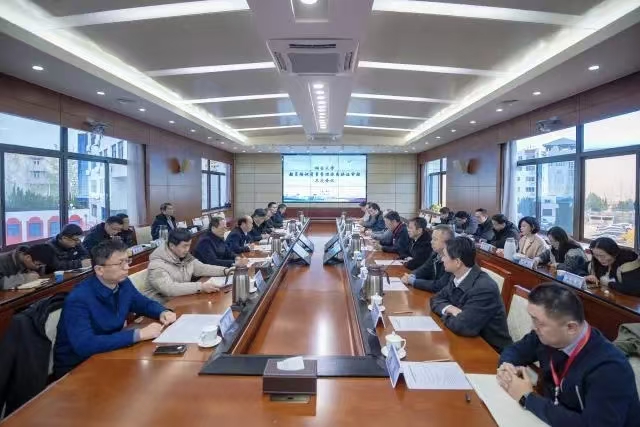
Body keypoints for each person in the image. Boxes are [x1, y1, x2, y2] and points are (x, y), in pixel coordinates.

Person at [498, 284, 640, 427]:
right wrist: (508, 368)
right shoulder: (545, 337)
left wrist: (527, 398)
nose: (533, 327)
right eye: (532, 319)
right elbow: (514, 351)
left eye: (538, 322)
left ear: (571, 327)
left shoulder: (610, 368)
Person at [53, 240, 177, 378]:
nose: (127, 267)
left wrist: (162, 311)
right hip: (78, 367)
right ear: (99, 270)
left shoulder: (123, 283)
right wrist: (138, 335)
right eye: (120, 263)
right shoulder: (79, 298)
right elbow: (85, 344)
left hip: (109, 352)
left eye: (127, 261)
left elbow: (142, 303)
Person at [430, 237, 512, 352]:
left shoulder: (484, 288)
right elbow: (436, 299)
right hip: (467, 342)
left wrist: (445, 314)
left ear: (457, 262)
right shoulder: (457, 275)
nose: (442, 259)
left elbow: (463, 326)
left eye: (445, 256)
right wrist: (450, 309)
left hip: (491, 351)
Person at [145, 228, 229, 301]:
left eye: (189, 245)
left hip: (181, 299)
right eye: (184, 246)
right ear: (172, 246)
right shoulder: (157, 265)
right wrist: (200, 287)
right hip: (163, 305)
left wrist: (226, 271)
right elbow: (169, 288)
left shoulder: (184, 256)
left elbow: (202, 268)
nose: (187, 249)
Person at [402, 225, 453, 292]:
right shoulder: (435, 254)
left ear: (447, 243)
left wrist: (414, 281)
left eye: (435, 239)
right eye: (432, 239)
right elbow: (424, 269)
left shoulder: (452, 260)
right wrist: (412, 275)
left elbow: (440, 285)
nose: (431, 242)